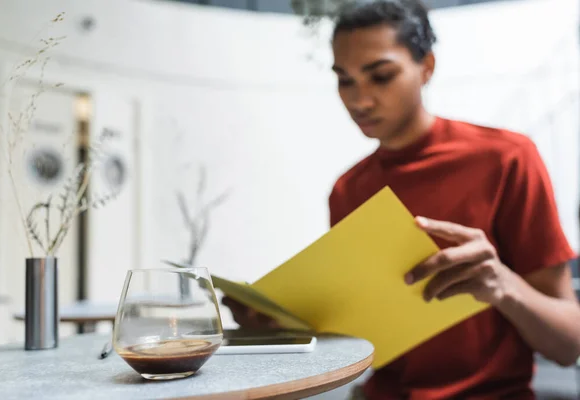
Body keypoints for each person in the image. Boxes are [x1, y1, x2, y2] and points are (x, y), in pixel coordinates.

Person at [222, 0, 580, 398]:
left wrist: (503, 286)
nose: (360, 100)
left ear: (426, 67)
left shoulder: (506, 159)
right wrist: (277, 326)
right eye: (345, 80)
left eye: (381, 76)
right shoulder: (348, 190)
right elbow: (358, 334)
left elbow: (568, 345)